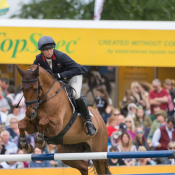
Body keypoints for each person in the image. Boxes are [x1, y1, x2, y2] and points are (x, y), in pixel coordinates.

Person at [33, 36, 96, 136]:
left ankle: (88, 122)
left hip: (73, 76)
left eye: (51, 49)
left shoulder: (61, 56)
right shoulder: (38, 59)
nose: (49, 52)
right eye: (46, 50)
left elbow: (77, 69)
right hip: (58, 81)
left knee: (75, 94)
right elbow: (33, 72)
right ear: (41, 51)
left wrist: (61, 75)